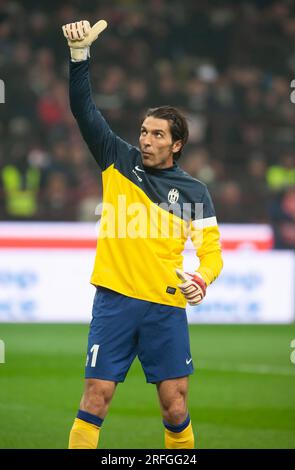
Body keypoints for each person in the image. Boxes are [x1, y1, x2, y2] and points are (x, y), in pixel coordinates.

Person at [62, 19, 223, 450]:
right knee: (97, 395)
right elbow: (84, 110)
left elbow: (212, 254)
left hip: (165, 307)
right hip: (114, 299)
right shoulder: (118, 159)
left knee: (175, 405)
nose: (146, 140)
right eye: (144, 131)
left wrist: (202, 279)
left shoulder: (194, 192)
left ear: (177, 144)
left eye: (157, 135)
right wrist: (80, 56)